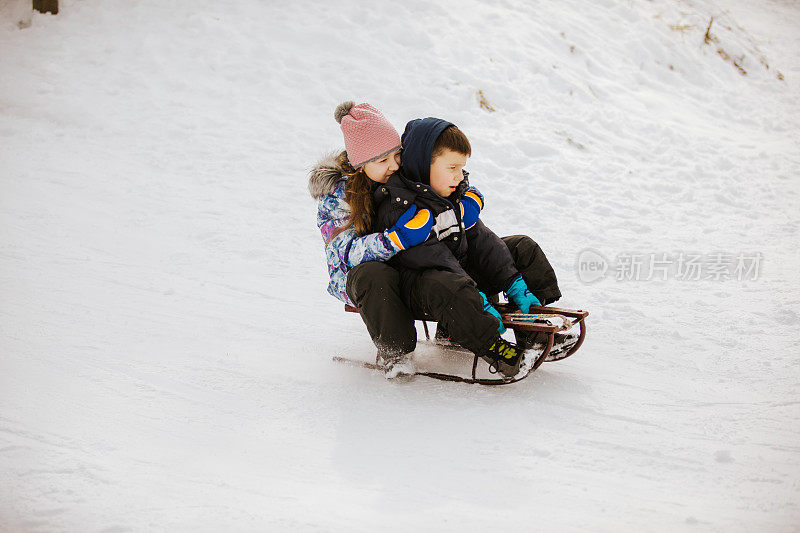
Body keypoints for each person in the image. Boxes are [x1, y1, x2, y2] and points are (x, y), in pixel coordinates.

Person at [372, 117, 564, 378]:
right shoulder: (398, 207)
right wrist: (474, 292)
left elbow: (482, 241)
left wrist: (512, 281)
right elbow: (433, 258)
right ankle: (495, 348)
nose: (459, 175)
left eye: (462, 168)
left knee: (522, 248)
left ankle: (534, 332)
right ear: (422, 164)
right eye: (452, 167)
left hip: (459, 275)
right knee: (450, 285)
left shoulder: (451, 197)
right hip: (424, 287)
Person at [308, 101, 433, 378]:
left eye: (396, 155)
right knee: (373, 274)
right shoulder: (336, 198)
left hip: (396, 266)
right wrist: (395, 240)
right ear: (361, 164)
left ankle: (457, 327)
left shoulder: (393, 180)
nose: (394, 166)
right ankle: (396, 352)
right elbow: (346, 252)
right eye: (382, 161)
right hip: (355, 276)